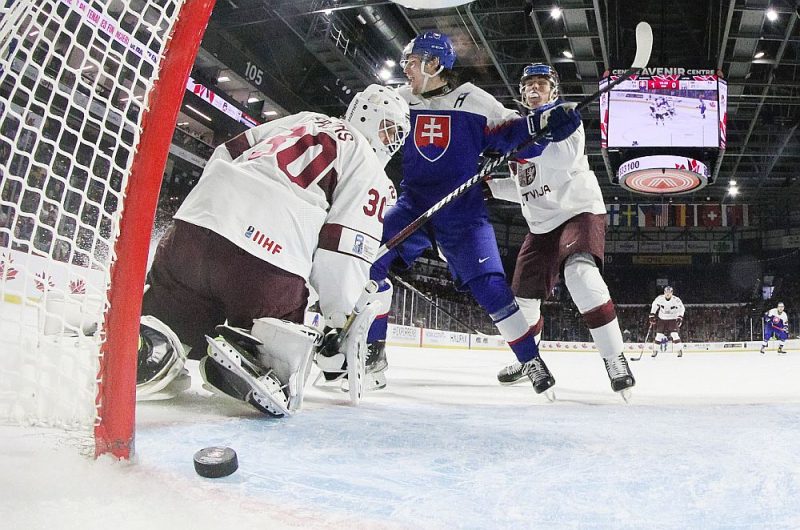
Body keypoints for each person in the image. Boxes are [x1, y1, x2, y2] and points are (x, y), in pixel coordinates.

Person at [135, 84, 410, 415]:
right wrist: (340, 317)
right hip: (264, 257)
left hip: (191, 232)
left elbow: (227, 151)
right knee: (284, 350)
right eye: (389, 127)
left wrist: (213, 211)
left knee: (176, 305)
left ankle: (155, 342)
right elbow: (343, 250)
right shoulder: (366, 164)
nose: (392, 139)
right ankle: (253, 354)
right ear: (366, 113)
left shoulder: (303, 119)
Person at [365, 32, 553, 395]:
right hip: (413, 204)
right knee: (366, 257)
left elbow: (519, 138)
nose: (405, 67)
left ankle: (531, 359)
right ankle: (373, 351)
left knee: (491, 287)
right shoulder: (400, 100)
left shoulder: (475, 101)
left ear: (435, 64)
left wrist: (543, 126)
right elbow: (367, 138)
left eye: (412, 60)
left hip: (462, 211)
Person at [486, 63, 635, 396]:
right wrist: (492, 188)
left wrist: (524, 142)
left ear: (553, 91)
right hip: (541, 226)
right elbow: (526, 184)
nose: (534, 89)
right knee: (522, 302)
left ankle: (615, 359)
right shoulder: (518, 129)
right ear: (521, 93)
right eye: (529, 85)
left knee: (580, 275)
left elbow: (562, 162)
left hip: (578, 211)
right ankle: (529, 360)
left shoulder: (566, 118)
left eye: (542, 84)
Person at [648, 286, 685, 357]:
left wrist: (680, 317)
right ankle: (655, 350)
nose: (667, 294)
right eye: (666, 292)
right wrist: (652, 315)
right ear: (664, 292)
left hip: (673, 318)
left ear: (672, 293)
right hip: (662, 318)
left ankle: (679, 350)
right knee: (659, 335)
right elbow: (654, 306)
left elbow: (682, 308)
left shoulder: (676, 300)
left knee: (674, 335)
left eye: (669, 292)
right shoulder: (659, 299)